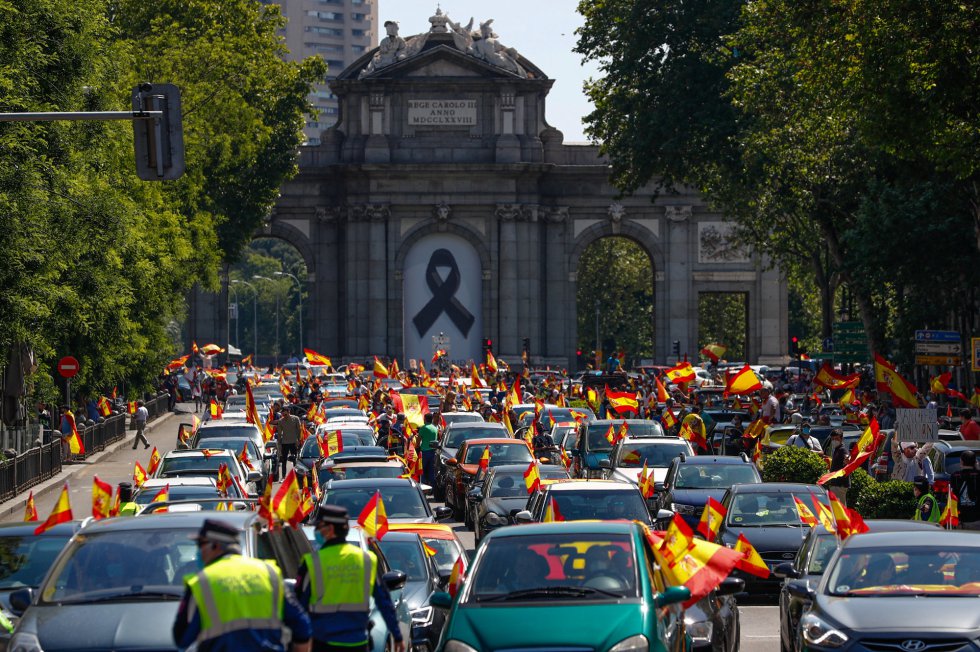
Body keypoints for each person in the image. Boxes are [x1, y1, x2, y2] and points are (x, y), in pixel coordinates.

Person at [173, 519, 312, 652]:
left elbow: (181, 638)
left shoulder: (202, 581)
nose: (199, 551)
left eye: (200, 544)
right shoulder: (268, 572)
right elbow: (302, 627)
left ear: (215, 545)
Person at [297, 506, 405, 652]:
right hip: (358, 644)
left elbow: (299, 607)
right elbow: (384, 602)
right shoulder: (366, 560)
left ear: (330, 529)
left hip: (323, 644)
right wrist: (397, 636)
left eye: (319, 526)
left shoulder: (312, 562)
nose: (317, 530)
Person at [950, 449, 980, 530]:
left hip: (960, 519)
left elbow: (951, 498)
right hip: (977, 519)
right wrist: (977, 468)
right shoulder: (978, 475)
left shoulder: (955, 476)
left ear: (961, 462)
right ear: (975, 462)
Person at [825, 428, 850, 504]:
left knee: (840, 508)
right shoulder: (836, 449)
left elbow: (847, 457)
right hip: (835, 484)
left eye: (836, 438)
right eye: (832, 439)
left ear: (841, 439)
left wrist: (847, 460)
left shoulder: (842, 450)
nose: (834, 441)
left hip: (839, 485)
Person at [276, 407, 302, 478]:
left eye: (285, 413)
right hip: (285, 442)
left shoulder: (295, 419)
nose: (284, 415)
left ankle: (296, 475)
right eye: (283, 413)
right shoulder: (281, 421)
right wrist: (279, 443)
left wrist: (298, 440)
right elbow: (279, 433)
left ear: (288, 411)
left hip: (294, 442)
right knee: (284, 460)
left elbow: (299, 430)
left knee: (295, 459)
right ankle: (284, 476)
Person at [417, 412, 439, 487]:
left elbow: (418, 439)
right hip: (433, 452)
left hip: (425, 452)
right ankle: (432, 486)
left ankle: (423, 486)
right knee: (431, 470)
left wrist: (417, 446)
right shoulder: (435, 428)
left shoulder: (424, 428)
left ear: (425, 419)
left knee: (422, 470)